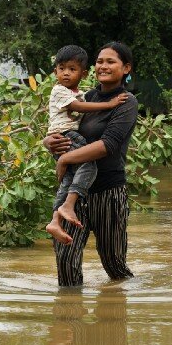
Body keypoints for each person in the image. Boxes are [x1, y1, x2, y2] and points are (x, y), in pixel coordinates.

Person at [44, 42, 138, 287]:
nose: (103, 66)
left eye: (110, 62)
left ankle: (117, 312)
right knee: (66, 263)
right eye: (99, 61)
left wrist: (65, 158)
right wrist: (48, 141)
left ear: (126, 68)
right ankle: (67, 319)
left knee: (114, 264)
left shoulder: (126, 102)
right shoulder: (86, 97)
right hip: (76, 191)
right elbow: (62, 124)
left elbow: (108, 145)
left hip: (108, 192)